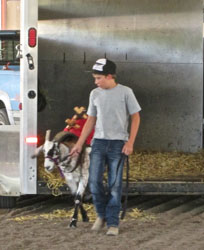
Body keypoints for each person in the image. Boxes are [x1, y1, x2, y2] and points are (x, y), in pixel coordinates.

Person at [70, 58, 141, 236]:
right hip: (99, 143)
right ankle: (101, 215)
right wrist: (80, 143)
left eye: (99, 78)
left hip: (118, 143)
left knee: (115, 185)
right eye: (95, 78)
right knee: (94, 182)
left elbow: (136, 117)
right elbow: (91, 120)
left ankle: (113, 223)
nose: (96, 82)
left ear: (110, 76)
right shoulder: (95, 94)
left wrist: (130, 142)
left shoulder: (126, 92)